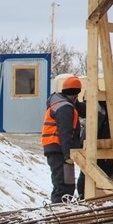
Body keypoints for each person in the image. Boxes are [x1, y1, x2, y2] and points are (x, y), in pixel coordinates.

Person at [42, 75, 82, 203]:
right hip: (59, 150)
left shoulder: (60, 103)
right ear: (76, 95)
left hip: (56, 149)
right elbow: (65, 133)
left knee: (68, 185)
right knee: (63, 186)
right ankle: (59, 215)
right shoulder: (65, 108)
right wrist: (67, 156)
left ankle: (61, 214)